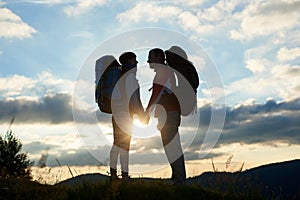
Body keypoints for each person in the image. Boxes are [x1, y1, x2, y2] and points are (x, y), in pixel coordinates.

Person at [146, 48, 186, 184]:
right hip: (169, 114)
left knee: (172, 146)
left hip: (169, 114)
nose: (148, 61)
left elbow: (157, 93)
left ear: (158, 57)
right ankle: (177, 177)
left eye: (150, 57)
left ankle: (179, 179)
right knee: (171, 146)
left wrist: (146, 112)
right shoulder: (166, 71)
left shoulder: (163, 72)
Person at [109, 52, 145, 180]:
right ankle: (124, 176)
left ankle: (113, 175)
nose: (136, 63)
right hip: (126, 115)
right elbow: (134, 98)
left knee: (117, 143)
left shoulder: (119, 75)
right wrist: (142, 116)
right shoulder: (129, 77)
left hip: (116, 114)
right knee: (124, 145)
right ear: (129, 60)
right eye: (134, 60)